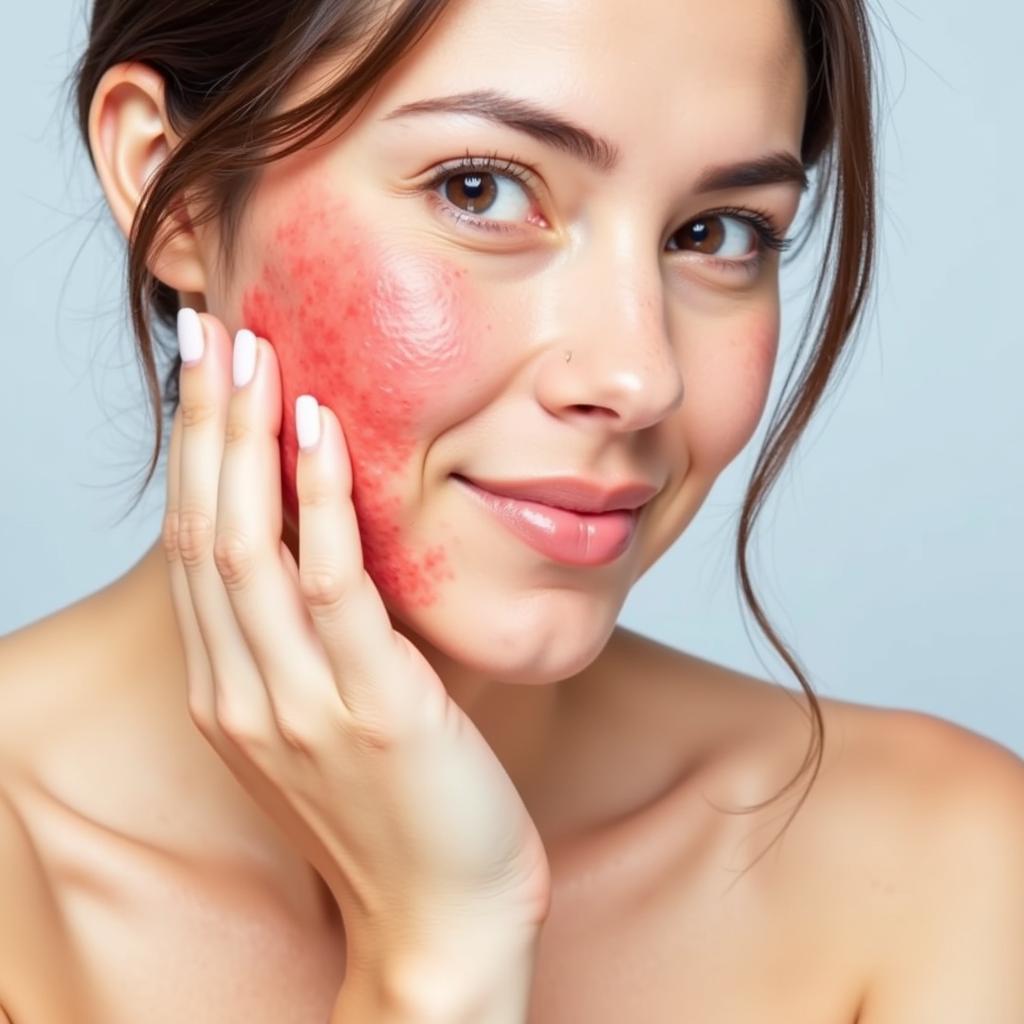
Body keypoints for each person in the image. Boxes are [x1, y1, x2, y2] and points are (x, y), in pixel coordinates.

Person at [1, 0, 1022, 1020]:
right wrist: (439, 959)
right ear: (168, 191)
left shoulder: (938, 869)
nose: (637, 374)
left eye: (716, 232)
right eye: (479, 189)